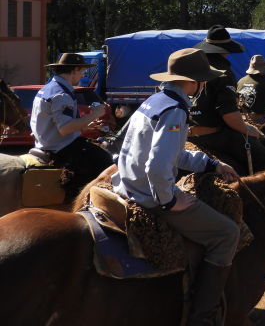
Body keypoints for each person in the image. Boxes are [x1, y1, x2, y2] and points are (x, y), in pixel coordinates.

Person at [112, 48, 240, 326]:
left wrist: (212, 165)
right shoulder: (175, 109)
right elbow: (158, 167)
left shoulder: (156, 100)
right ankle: (202, 317)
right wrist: (169, 201)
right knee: (228, 233)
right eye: (202, 80)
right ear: (193, 82)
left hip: (127, 184)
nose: (203, 85)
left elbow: (172, 153)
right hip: (148, 194)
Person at [187, 25, 265, 173]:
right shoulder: (224, 73)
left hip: (186, 132)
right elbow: (228, 114)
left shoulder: (192, 68)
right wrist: (248, 129)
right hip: (214, 135)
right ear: (225, 50)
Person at [31, 53, 113, 196]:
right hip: (61, 147)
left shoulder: (48, 88)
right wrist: (95, 114)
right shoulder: (61, 93)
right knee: (107, 162)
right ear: (75, 70)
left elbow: (55, 124)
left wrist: (85, 125)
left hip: (46, 143)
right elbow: (65, 129)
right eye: (82, 71)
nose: (82, 75)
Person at [236, 55, 265, 124]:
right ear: (262, 71)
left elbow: (236, 100)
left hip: (243, 119)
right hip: (261, 120)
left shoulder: (240, 81)